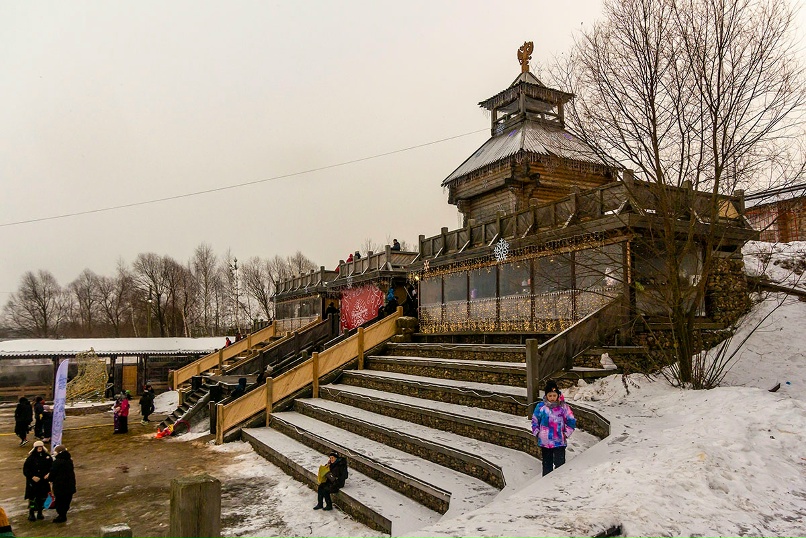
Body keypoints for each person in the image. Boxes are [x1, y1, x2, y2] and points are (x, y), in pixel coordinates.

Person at [531, 380, 576, 476]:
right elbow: (535, 421)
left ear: (558, 395)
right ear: (546, 396)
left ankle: (559, 481)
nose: (552, 398)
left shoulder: (563, 407)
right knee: (547, 466)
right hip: (545, 442)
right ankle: (546, 483)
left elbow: (571, 421)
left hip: (559, 441)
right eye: (550, 395)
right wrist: (537, 433)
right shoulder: (540, 407)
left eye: (554, 395)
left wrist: (566, 433)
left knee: (560, 465)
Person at [23, 441, 52, 522]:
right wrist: (32, 477)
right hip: (33, 483)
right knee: (32, 499)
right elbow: (25, 470)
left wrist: (48, 474)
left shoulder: (47, 457)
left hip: (43, 482)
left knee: (42, 498)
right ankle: (31, 513)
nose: (39, 448)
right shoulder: (30, 458)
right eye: (38, 447)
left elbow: (52, 467)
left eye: (41, 447)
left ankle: (40, 512)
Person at [48, 445, 76, 524]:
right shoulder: (69, 460)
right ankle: (63, 514)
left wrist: (50, 479)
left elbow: (53, 473)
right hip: (70, 485)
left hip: (60, 486)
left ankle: (61, 515)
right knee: (67, 500)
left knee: (60, 501)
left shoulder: (57, 462)